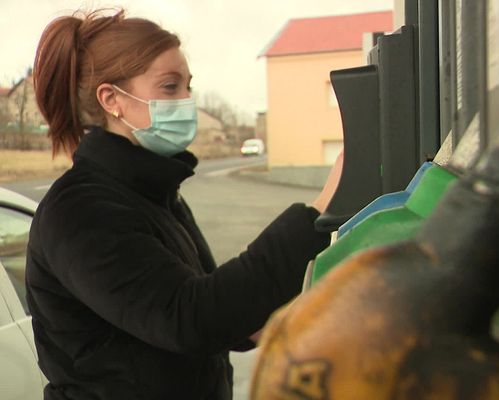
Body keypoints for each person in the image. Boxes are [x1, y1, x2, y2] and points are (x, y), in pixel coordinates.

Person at [26, 9, 343, 400]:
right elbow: (189, 319)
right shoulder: (78, 210)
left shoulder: (154, 193)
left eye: (188, 86)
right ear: (111, 100)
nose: (188, 101)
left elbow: (219, 317)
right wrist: (319, 210)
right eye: (170, 87)